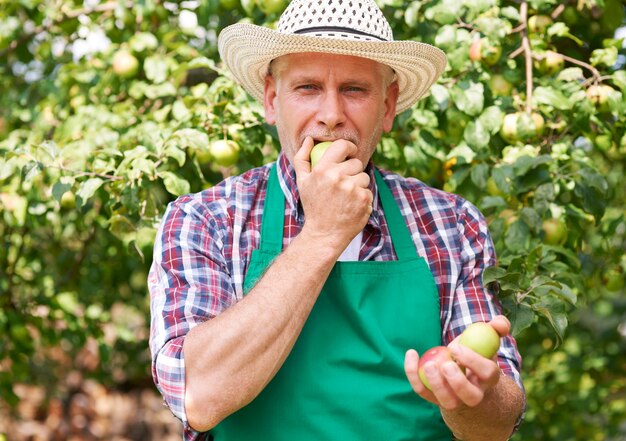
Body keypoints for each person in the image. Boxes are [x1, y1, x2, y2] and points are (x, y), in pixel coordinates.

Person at [148, 0, 525, 439]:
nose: (331, 114)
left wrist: (473, 396)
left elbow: (496, 426)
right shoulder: (206, 220)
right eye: (307, 87)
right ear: (272, 100)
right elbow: (200, 396)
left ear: (387, 107)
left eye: (354, 90)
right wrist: (325, 232)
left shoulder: (452, 224)